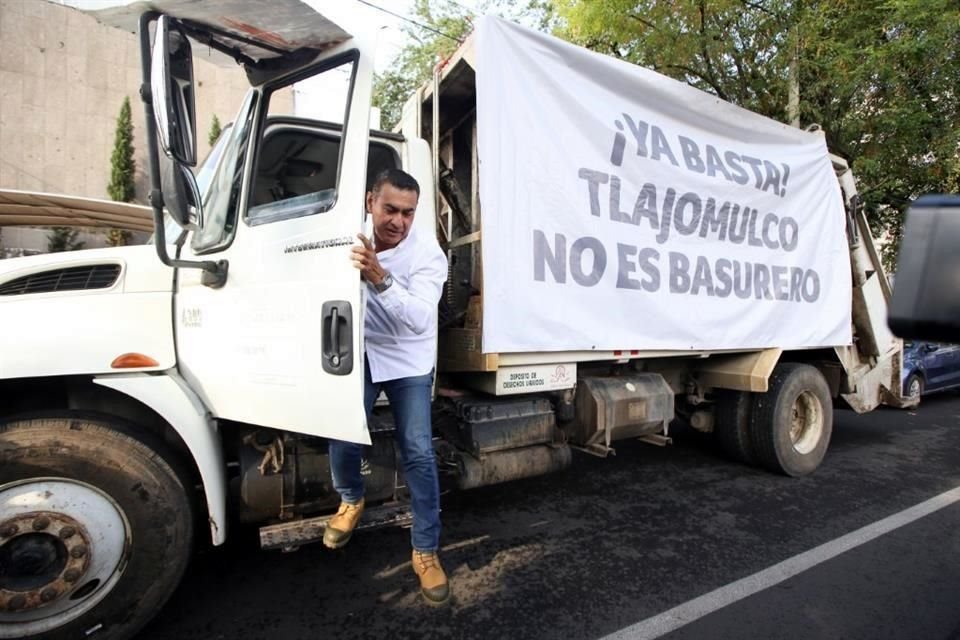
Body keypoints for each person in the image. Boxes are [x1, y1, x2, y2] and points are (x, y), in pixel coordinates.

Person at [324, 168, 451, 606]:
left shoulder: (429, 255)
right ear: (369, 202)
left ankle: (426, 550)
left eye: (408, 213)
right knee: (342, 430)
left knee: (417, 449)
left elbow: (418, 318)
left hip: (408, 358)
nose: (398, 221)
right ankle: (351, 499)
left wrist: (379, 277)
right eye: (390, 209)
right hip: (359, 351)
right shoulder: (346, 238)